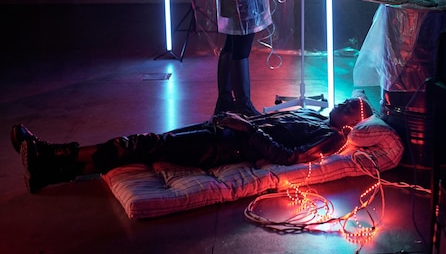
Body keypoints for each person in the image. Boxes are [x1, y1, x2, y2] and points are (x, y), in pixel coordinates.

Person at [11, 96, 374, 194]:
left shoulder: (328, 137)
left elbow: (287, 157)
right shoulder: (317, 118)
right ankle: (47, 172)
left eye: (350, 108)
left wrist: (247, 129)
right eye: (347, 101)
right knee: (147, 146)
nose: (343, 104)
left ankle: (54, 155)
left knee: (142, 144)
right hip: (222, 133)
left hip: (223, 148)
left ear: (353, 123)